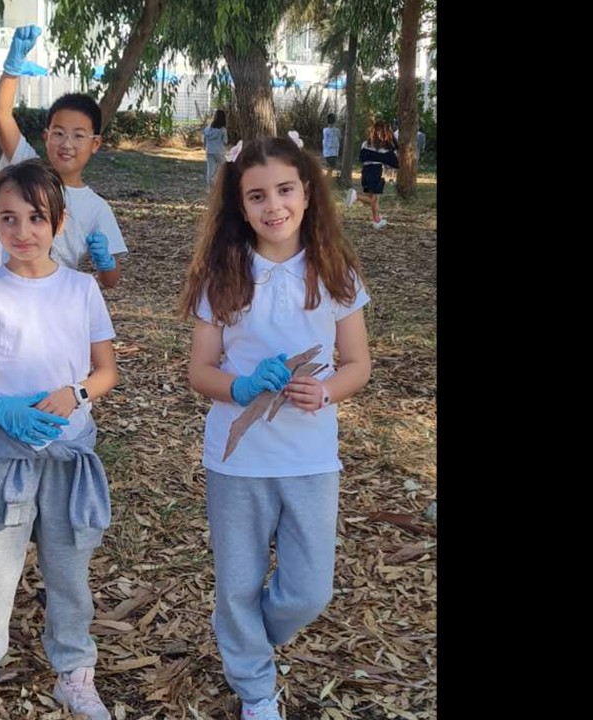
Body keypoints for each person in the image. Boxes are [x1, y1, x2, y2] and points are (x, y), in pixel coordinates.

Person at [178, 136, 372, 720]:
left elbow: (357, 363)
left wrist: (327, 390)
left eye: (285, 190)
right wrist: (239, 386)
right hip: (237, 462)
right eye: (257, 195)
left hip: (310, 459)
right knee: (237, 584)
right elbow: (200, 370)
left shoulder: (335, 273)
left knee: (309, 591)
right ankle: (255, 690)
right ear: (240, 207)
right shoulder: (223, 275)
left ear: (307, 194)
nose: (273, 205)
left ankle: (245, 636)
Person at [0, 160, 119, 720]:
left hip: (67, 457)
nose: (22, 231)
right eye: (8, 218)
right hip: (5, 458)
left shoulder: (81, 289)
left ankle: (75, 671)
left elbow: (105, 371)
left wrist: (76, 393)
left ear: (60, 222)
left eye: (36, 218)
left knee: (69, 575)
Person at [0, 26, 127, 289]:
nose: (67, 144)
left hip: (53, 299)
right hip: (3, 289)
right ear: (46, 136)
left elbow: (111, 280)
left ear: (95, 143)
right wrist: (12, 68)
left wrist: (105, 261)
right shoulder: (25, 167)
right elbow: (1, 114)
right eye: (59, 133)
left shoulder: (96, 208)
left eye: (78, 135)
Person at [345, 119, 398, 229]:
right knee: (373, 199)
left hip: (365, 171)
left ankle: (377, 220)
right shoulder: (384, 147)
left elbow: (362, 157)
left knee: (373, 198)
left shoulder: (365, 144)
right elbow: (394, 162)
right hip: (375, 171)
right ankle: (356, 196)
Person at [203, 109, 229, 186]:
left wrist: (205, 147)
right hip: (219, 152)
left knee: (210, 170)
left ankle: (210, 186)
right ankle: (223, 184)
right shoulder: (223, 130)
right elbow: (225, 141)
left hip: (209, 151)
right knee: (224, 168)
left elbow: (205, 140)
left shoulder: (207, 129)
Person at [320, 113, 340, 178]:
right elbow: (339, 138)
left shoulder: (325, 130)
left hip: (327, 152)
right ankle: (327, 178)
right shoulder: (337, 131)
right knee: (332, 167)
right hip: (333, 152)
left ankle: (328, 178)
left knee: (331, 167)